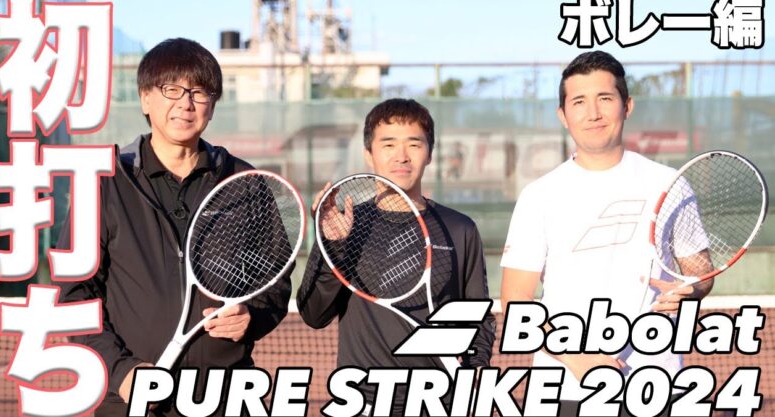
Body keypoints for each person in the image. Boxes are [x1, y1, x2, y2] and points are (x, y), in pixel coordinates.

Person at [58, 38, 292, 416]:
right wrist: (121, 371)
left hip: (226, 397)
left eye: (199, 92)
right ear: (145, 99)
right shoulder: (103, 182)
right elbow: (73, 293)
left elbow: (274, 281)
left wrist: (252, 316)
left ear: (212, 106)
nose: (185, 103)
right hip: (130, 399)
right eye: (171, 89)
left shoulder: (245, 182)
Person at [499, 51, 714, 416]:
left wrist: (692, 289)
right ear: (563, 115)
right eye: (579, 102)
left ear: (627, 106)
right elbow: (516, 299)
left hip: (655, 385)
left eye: (605, 98)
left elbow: (700, 271)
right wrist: (577, 357)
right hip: (563, 389)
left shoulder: (670, 183)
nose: (593, 113)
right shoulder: (538, 195)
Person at [297, 98, 496, 415]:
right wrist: (334, 245)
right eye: (388, 144)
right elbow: (314, 314)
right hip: (361, 402)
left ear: (429, 153)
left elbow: (478, 314)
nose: (401, 156)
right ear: (369, 154)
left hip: (438, 403)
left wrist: (475, 366)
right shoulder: (344, 226)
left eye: (414, 144)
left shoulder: (460, 229)